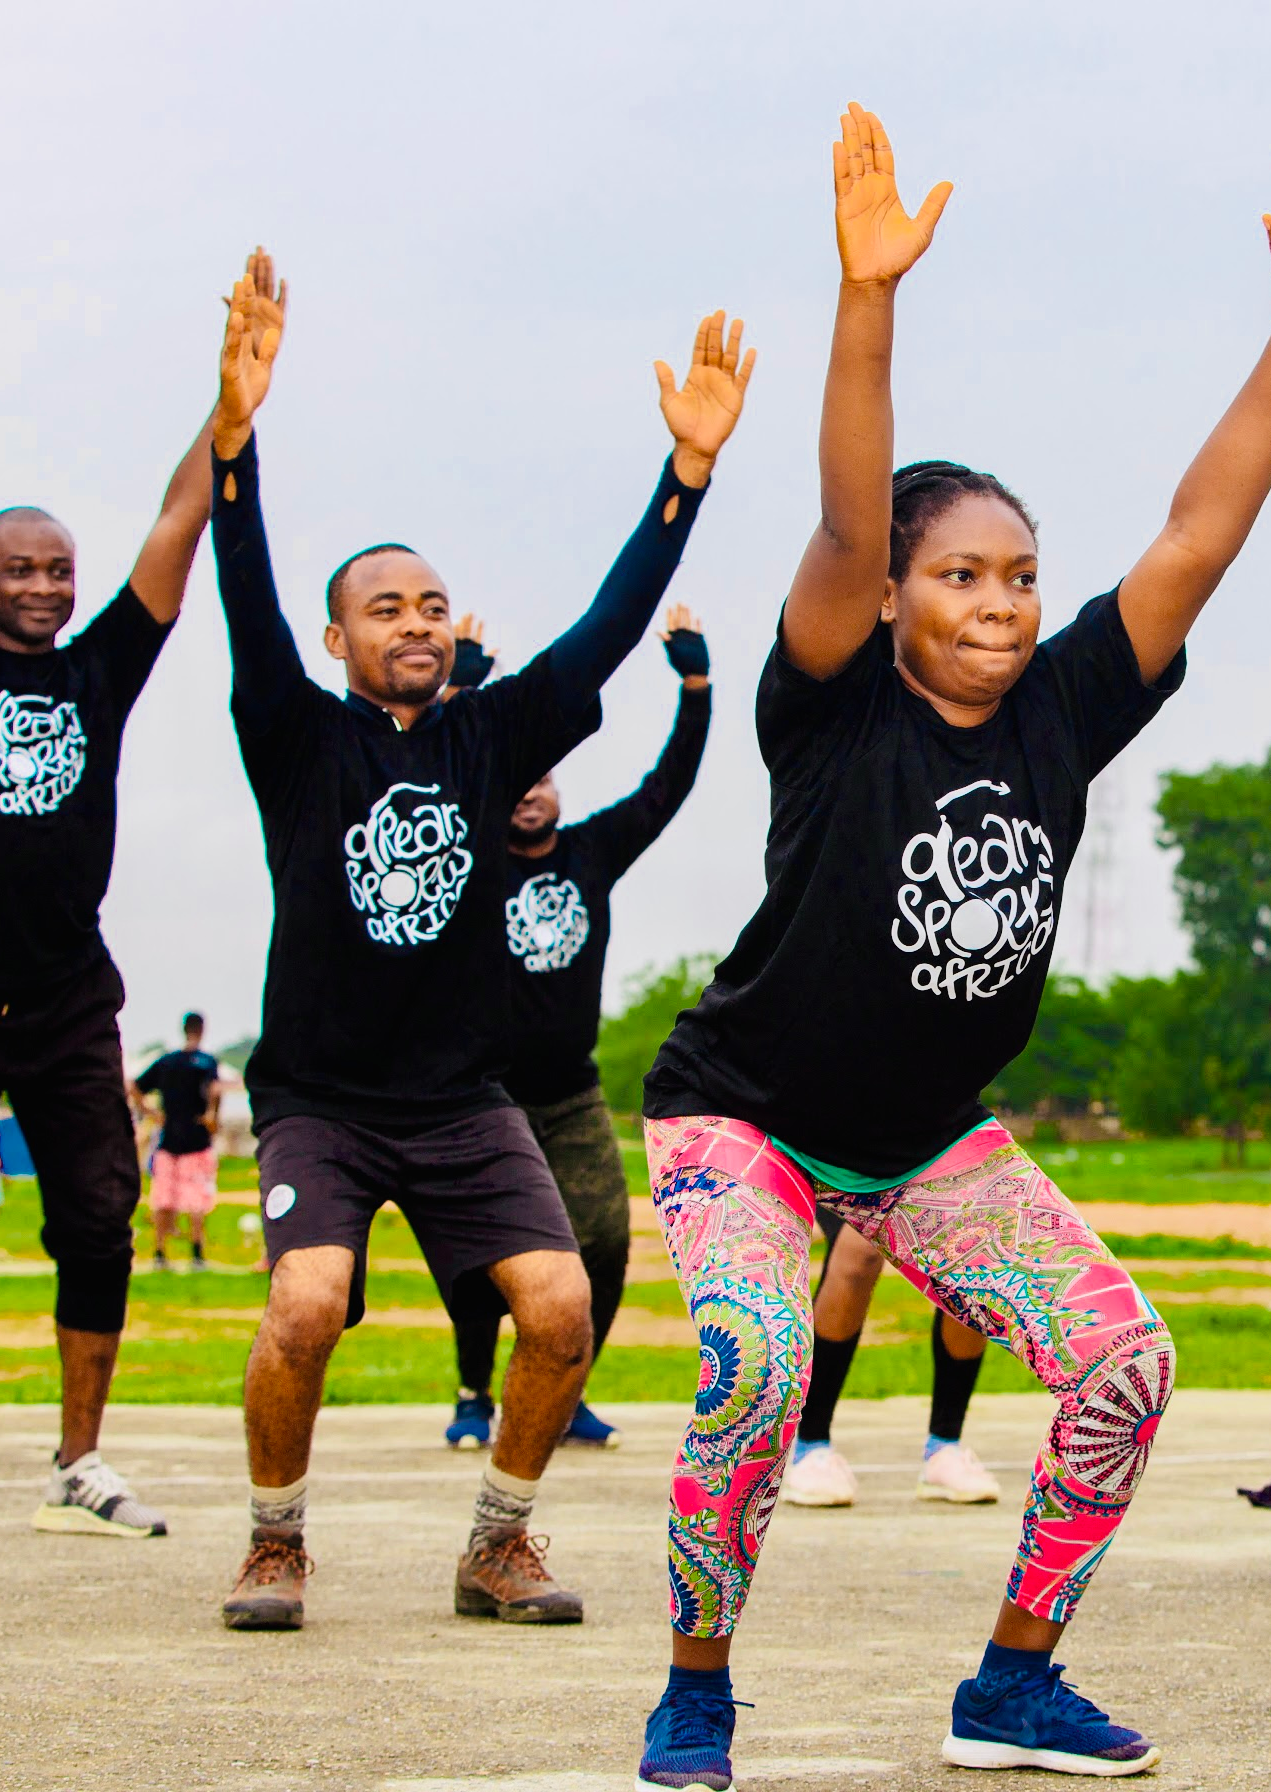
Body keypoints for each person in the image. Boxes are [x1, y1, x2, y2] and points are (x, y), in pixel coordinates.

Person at [633, 104, 1271, 1786]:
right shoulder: (828, 701)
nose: (1000, 603)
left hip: (928, 1138)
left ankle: (1011, 1681)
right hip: (739, 1108)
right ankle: (697, 1684)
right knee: (752, 1359)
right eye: (959, 574)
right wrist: (867, 298)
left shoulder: (1061, 707)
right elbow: (836, 523)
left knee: (1126, 1359)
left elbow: (1198, 534)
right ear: (892, 595)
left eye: (1022, 576)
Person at [205, 270, 754, 1633]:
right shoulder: (295, 735)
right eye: (386, 608)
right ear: (339, 641)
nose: (416, 622)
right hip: (322, 1100)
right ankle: (275, 1543)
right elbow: (241, 593)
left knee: (565, 1307)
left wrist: (684, 474)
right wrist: (234, 442)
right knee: (310, 1303)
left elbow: (607, 636)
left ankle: (498, 1543)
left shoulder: (491, 735)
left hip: (463, 1099)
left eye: (434, 605)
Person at [0, 252, 270, 1538]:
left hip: (61, 1002)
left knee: (100, 1218)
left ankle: (76, 1459)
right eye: (21, 569)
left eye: (59, 569)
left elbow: (178, 524)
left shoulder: (98, 669)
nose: (47, 586)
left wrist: (228, 412)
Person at [443, 603, 713, 1452]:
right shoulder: (467, 846)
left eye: (544, 780)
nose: (530, 791)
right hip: (482, 1094)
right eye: (517, 781)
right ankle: (472, 1395)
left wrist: (696, 687)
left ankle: (567, 1387)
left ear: (561, 790)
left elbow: (667, 786)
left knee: (600, 1235)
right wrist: (460, 689)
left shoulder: (591, 852)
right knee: (485, 1257)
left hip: (568, 1092)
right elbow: (433, 769)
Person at [784, 1210, 1000, 1506]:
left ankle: (945, 1447)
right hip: (841, 1166)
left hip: (930, 1164)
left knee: (972, 1249)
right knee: (860, 1250)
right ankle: (811, 1447)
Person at [132, 1011, 223, 1270]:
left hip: (168, 1138)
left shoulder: (167, 1061)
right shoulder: (206, 1062)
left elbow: (135, 1086)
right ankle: (197, 1254)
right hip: (196, 1139)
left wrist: (152, 1113)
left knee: (163, 1198)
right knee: (196, 1199)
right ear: (202, 1029)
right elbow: (214, 1092)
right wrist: (211, 1116)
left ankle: (160, 1254)